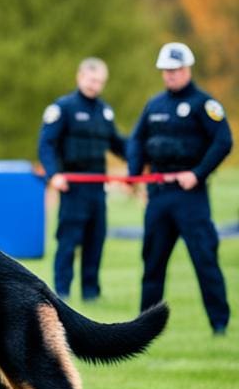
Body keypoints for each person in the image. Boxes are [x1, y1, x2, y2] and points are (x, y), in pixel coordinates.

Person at [127, 42, 232, 335]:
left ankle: (219, 324)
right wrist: (134, 173)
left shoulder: (203, 105)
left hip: (190, 197)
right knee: (153, 262)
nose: (169, 76)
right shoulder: (154, 105)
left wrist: (197, 174)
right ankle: (145, 326)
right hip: (159, 196)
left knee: (204, 259)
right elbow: (137, 140)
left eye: (174, 70)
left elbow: (223, 141)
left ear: (186, 69)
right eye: (165, 71)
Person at [38, 57, 127, 301]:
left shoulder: (105, 111)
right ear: (80, 77)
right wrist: (53, 174)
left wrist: (141, 157)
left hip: (97, 187)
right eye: (90, 79)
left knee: (95, 240)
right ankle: (61, 294)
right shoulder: (63, 108)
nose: (94, 85)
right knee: (68, 242)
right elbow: (46, 144)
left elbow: (118, 144)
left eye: (99, 81)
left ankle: (91, 293)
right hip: (72, 186)